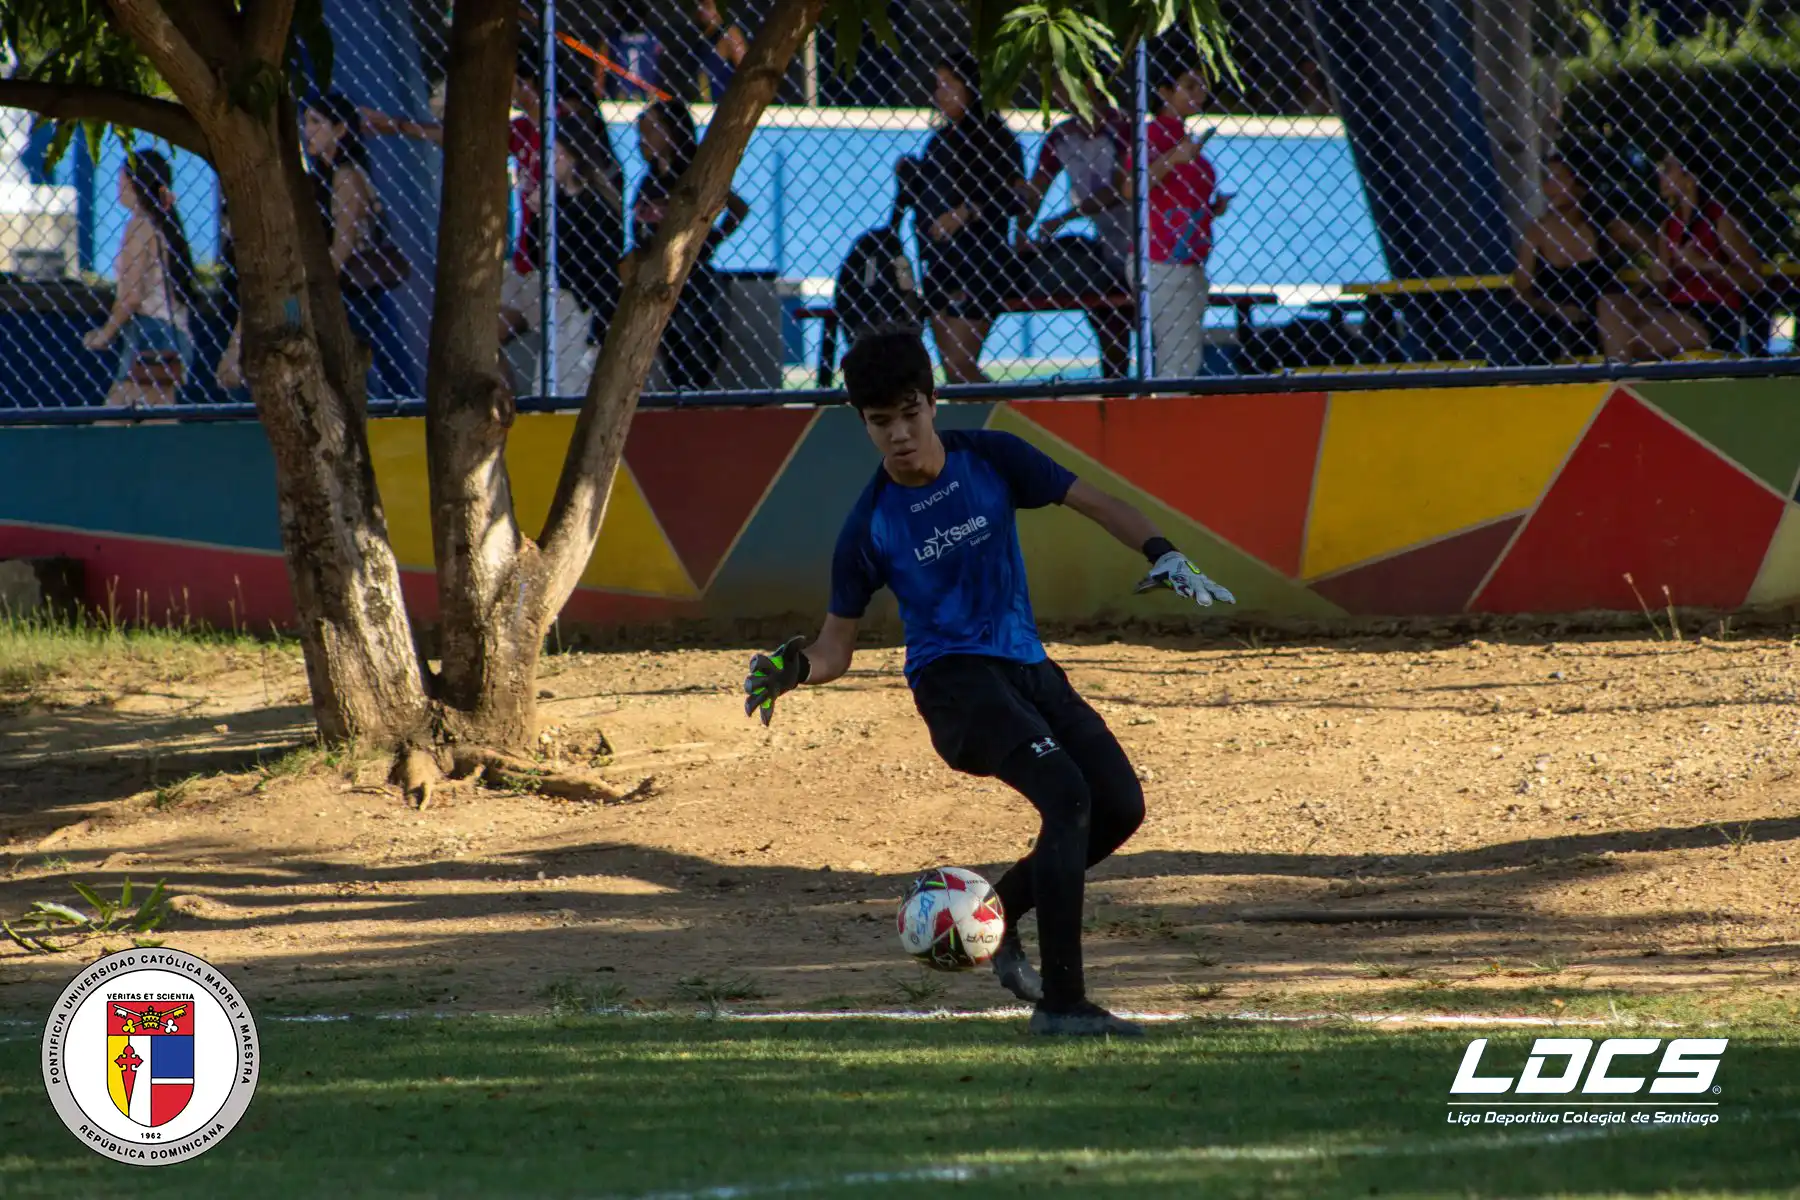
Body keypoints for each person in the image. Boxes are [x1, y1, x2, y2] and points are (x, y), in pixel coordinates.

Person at [740, 328, 1237, 1038]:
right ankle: (1063, 1006)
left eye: (909, 414)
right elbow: (835, 647)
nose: (899, 435)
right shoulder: (869, 524)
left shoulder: (992, 458)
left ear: (932, 402)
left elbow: (1096, 501)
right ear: (864, 424)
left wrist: (1164, 552)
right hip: (955, 688)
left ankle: (993, 917)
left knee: (1119, 806)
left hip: (1027, 668)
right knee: (1066, 794)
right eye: (880, 422)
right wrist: (792, 668)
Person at [915, 52, 1027, 383]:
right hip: (940, 263)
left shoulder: (998, 140)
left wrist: (968, 211)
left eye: (949, 85)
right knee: (952, 373)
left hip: (980, 263)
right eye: (938, 85)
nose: (940, 94)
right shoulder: (938, 143)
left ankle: (1010, 408)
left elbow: (1015, 198)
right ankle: (985, 410)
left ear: (971, 89)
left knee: (960, 367)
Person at [1598, 145, 1763, 362]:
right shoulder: (1669, 225)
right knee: (1609, 304)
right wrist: (1657, 272)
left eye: (1668, 169)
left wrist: (1705, 265)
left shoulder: (1719, 220)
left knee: (1629, 340)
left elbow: (1754, 281)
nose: (1660, 175)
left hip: (1709, 315)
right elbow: (1661, 285)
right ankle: (1620, 371)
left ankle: (1618, 373)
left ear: (1690, 177)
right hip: (1672, 310)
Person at [1017, 79, 1134, 379]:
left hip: (1138, 236)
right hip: (1106, 242)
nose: (1059, 93)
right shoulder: (1061, 137)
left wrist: (1065, 217)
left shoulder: (1122, 128)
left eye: (1066, 83)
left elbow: (1119, 188)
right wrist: (1021, 230)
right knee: (1108, 315)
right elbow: (1037, 189)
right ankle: (1116, 387)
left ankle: (1134, 389)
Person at [632, 98, 748, 391]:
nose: (643, 138)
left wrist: (711, 240)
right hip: (654, 273)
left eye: (652, 129)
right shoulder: (649, 181)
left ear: (672, 130)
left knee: (691, 346)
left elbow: (737, 207)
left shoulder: (692, 173)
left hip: (690, 277)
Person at [83, 150, 197, 406]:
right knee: (157, 421)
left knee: (115, 419)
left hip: (151, 333)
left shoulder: (139, 227)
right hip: (173, 333)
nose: (118, 185)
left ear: (133, 183)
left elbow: (132, 295)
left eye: (121, 178)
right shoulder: (163, 225)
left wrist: (106, 333)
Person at [1145, 54, 1230, 378]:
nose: (1199, 93)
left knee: (1183, 353)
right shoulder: (1152, 136)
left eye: (1202, 86)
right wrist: (1173, 159)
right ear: (1165, 92)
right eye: (1190, 86)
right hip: (1162, 258)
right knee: (1179, 358)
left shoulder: (1182, 137)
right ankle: (1168, 406)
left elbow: (1178, 198)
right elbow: (1130, 187)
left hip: (1189, 256)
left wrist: (1211, 209)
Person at [1512, 157, 1628, 361]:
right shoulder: (1537, 232)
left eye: (1558, 178)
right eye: (1547, 180)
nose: (1550, 187)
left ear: (1577, 182)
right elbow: (1521, 291)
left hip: (1603, 322)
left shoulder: (1602, 225)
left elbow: (1648, 245)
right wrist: (1557, 309)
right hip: (1556, 324)